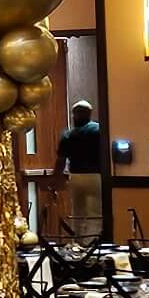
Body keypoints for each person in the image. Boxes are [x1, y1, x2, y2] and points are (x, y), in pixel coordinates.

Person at [54, 101, 104, 239]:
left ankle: (78, 241)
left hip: (75, 176)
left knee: (78, 211)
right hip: (95, 176)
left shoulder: (68, 134)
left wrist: (56, 179)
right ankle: (91, 243)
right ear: (90, 113)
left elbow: (61, 160)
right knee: (95, 212)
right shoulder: (99, 130)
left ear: (74, 115)